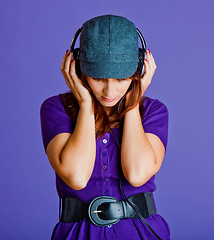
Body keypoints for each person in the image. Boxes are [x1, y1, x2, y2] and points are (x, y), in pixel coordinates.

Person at [40, 14, 170, 240]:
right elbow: (77, 177)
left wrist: (132, 102)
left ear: (138, 71)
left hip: (141, 233)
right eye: (98, 77)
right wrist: (85, 104)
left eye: (121, 79)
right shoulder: (56, 109)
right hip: (78, 234)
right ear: (78, 66)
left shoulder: (153, 112)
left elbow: (137, 174)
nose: (109, 92)